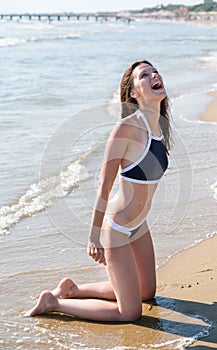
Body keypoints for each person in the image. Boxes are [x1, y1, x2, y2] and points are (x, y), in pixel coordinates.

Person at [24, 60, 171, 322]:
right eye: (144, 75)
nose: (154, 75)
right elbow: (104, 185)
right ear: (134, 93)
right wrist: (94, 236)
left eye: (154, 71)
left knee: (147, 292)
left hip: (140, 225)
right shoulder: (126, 128)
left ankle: (73, 290)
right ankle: (54, 303)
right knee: (130, 313)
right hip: (117, 229)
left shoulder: (159, 125)